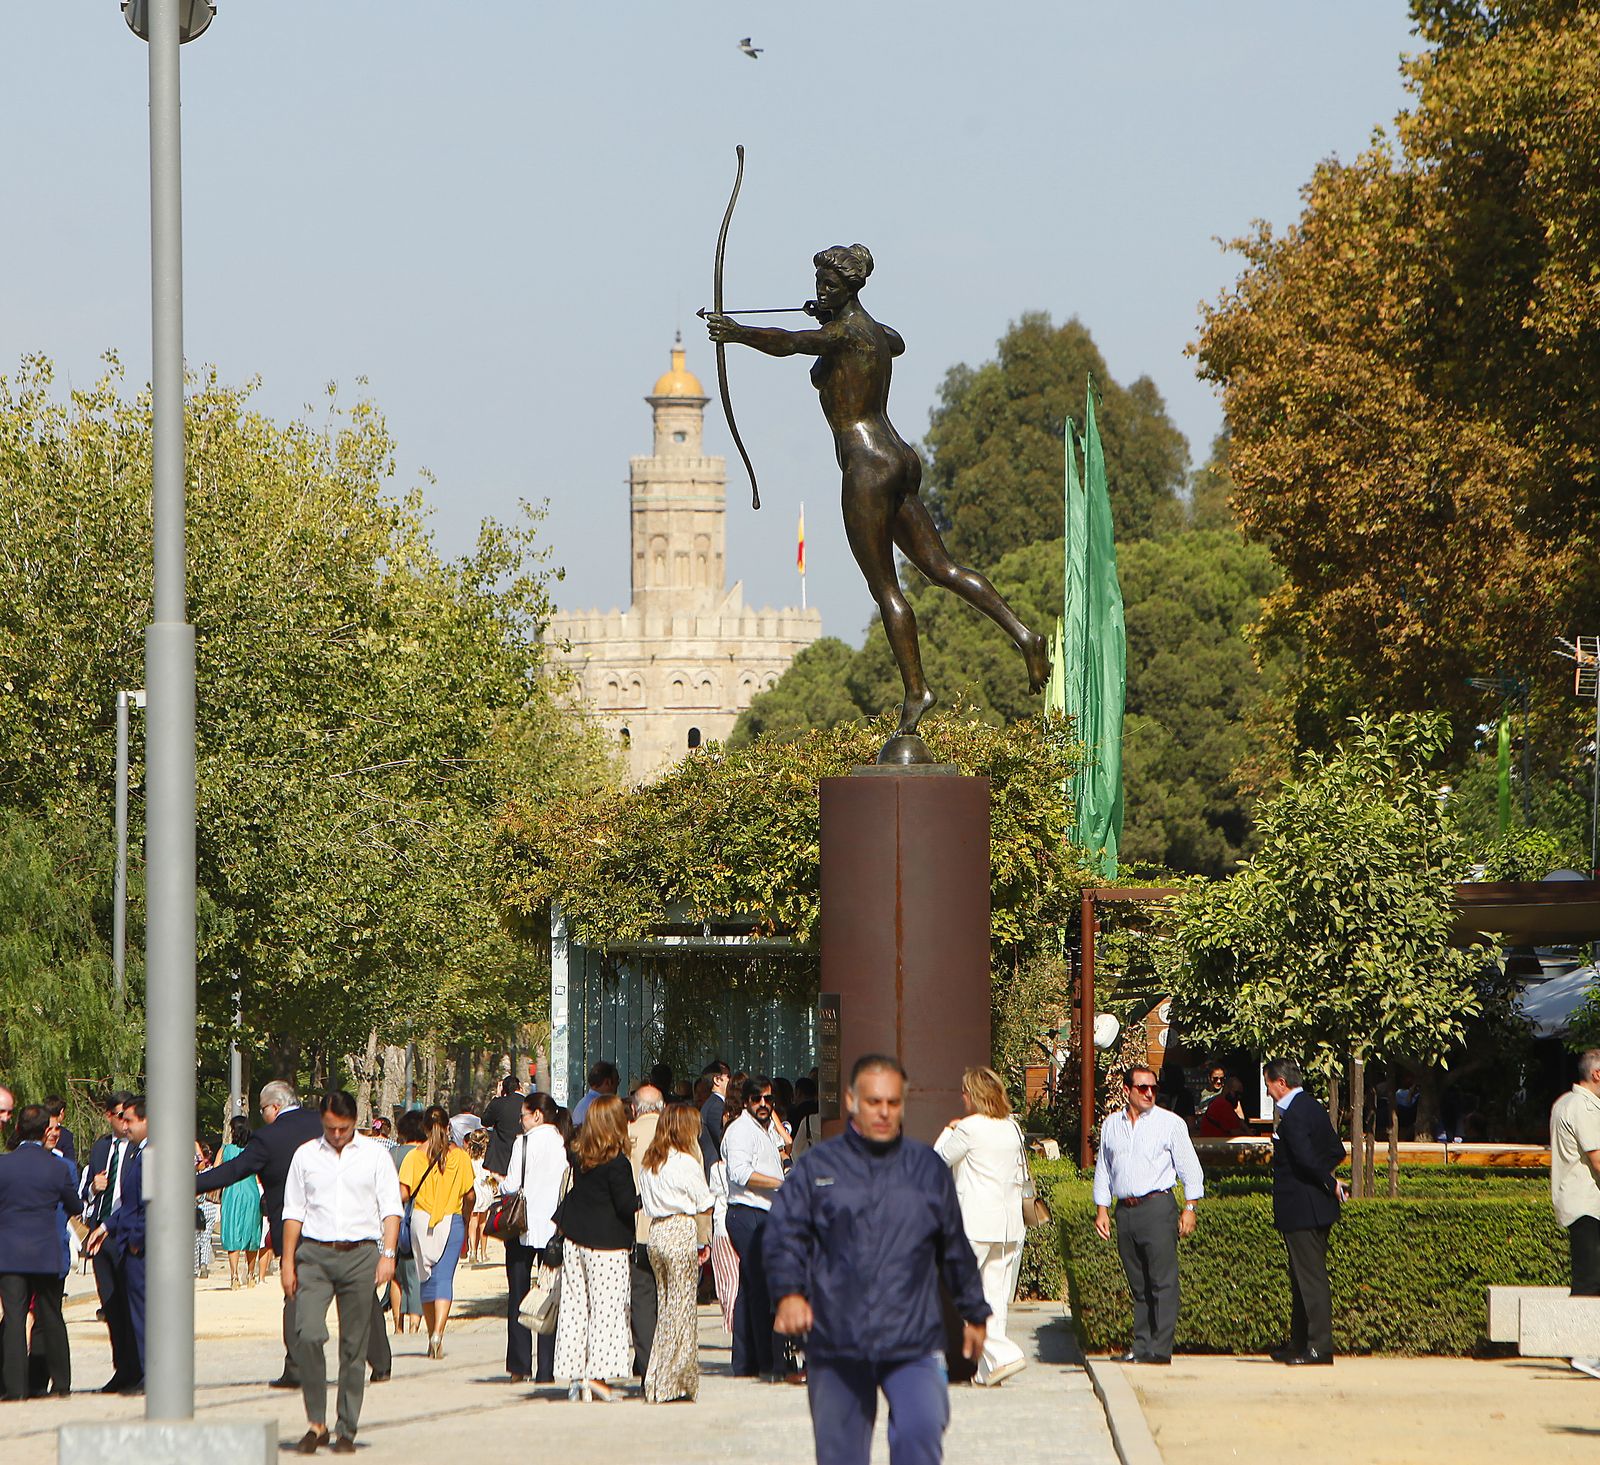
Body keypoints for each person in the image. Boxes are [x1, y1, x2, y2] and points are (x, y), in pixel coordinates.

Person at [707, 248, 1048, 749]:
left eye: (830, 287)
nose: (822, 293)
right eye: (818, 285)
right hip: (900, 458)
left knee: (886, 588)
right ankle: (1024, 634)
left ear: (851, 289)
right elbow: (898, 342)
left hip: (867, 467)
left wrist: (737, 333)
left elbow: (789, 343)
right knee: (942, 569)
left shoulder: (842, 334)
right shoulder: (870, 332)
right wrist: (827, 312)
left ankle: (918, 691)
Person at [766, 1054, 990, 1465]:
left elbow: (954, 1246)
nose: (884, 1111)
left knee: (921, 1438)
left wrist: (975, 1313)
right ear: (852, 1100)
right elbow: (784, 1235)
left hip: (912, 1340)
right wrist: (788, 1293)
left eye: (892, 1102)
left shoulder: (926, 1169)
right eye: (874, 1102)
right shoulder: (818, 1169)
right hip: (837, 1341)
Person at [280, 1090, 402, 1455]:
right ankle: (316, 1423)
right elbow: (293, 1211)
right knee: (308, 1333)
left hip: (361, 1254)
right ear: (323, 1122)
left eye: (344, 1128)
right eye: (331, 1128)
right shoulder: (305, 1156)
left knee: (354, 1345)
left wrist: (388, 1255)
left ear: (353, 1123)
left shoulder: (375, 1156)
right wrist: (288, 1261)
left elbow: (391, 1209)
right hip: (314, 1254)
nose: (337, 1135)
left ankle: (346, 1426)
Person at [194, 1079, 323, 1389]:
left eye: (263, 1109)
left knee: (296, 1296)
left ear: (274, 1107)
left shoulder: (268, 1138)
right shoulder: (321, 1122)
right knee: (355, 1293)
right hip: (337, 1223)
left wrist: (192, 1183)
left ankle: (295, 1368)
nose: (262, 1115)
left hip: (293, 1227)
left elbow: (235, 1170)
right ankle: (380, 1360)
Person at [1092, 1064, 1205, 1365]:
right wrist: (1102, 1209)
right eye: (1142, 1087)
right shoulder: (1111, 1125)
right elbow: (1104, 1167)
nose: (1149, 1093)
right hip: (1125, 1211)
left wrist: (1190, 1207)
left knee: (1162, 1281)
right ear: (1126, 1090)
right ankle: (1141, 1345)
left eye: (1153, 1088)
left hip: (1157, 1207)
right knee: (1138, 1283)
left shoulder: (1170, 1124)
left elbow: (1190, 1170)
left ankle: (1160, 1348)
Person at [934, 1065, 1029, 1386]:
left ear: (973, 1095)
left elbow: (937, 1160)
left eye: (963, 1092)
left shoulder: (968, 1128)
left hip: (975, 1223)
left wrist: (949, 1129)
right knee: (995, 1296)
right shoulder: (1012, 1128)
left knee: (955, 1293)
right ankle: (990, 1369)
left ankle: (1002, 1354)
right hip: (1010, 1225)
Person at [552, 1093, 638, 1401]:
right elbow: (626, 1205)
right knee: (608, 1311)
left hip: (576, 1239)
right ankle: (598, 1376)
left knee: (575, 1308)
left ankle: (576, 1375)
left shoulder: (579, 1156)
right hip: (607, 1245)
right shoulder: (617, 1163)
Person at [1264, 1057, 1346, 1366]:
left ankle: (1319, 1347)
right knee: (1301, 1278)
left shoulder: (1295, 1114)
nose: (1269, 1092)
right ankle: (1300, 1343)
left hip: (1302, 1208)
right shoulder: (1311, 1107)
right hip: (1313, 1207)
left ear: (1281, 1083)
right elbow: (1335, 1151)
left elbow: (1304, 1159)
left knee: (1310, 1280)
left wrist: (1326, 1181)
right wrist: (1326, 1180)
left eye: (1269, 1085)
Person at [0, 1104, 83, 1400]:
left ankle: (14, 1389)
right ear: (45, 1131)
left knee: (14, 1318)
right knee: (51, 1316)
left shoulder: (3, 1164)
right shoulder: (57, 1167)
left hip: (9, 1253)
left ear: (18, 1130)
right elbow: (76, 1206)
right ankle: (61, 1384)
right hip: (45, 1251)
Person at [638, 1101, 713, 1402]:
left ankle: (655, 1377)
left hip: (656, 1232)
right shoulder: (685, 1162)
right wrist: (702, 1241)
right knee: (682, 1309)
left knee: (665, 1305)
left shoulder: (650, 1161)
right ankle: (677, 1380)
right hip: (680, 1230)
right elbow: (704, 1201)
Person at [498, 1092, 568, 1383]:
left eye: (524, 1115)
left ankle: (519, 1364)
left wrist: (497, 1181)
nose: (522, 1121)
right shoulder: (565, 1142)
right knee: (550, 1295)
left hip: (523, 1226)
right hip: (554, 1227)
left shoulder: (523, 1143)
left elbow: (513, 1184)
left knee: (518, 1293)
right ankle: (547, 1368)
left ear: (537, 1115)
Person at [723, 1074, 789, 1380]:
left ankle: (747, 1361)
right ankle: (766, 1362)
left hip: (762, 1212)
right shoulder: (739, 1131)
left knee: (751, 1288)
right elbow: (740, 1173)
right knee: (760, 1288)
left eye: (768, 1099)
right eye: (757, 1099)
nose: (763, 1104)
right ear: (746, 1101)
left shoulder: (762, 1130)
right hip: (747, 1212)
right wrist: (781, 1183)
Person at [399, 1105, 476, 1359]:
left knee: (426, 1278)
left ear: (423, 1128)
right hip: (451, 1221)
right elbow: (470, 1194)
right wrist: (466, 1217)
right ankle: (438, 1333)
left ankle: (430, 1330)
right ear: (447, 1127)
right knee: (444, 1279)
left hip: (421, 1222)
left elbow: (404, 1194)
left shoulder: (413, 1157)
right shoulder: (461, 1157)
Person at [84, 1097, 150, 1392]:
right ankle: (124, 1369)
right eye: (119, 1117)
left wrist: (135, 1240)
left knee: (136, 1308)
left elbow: (144, 1202)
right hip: (105, 1232)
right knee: (113, 1307)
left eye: (129, 1118)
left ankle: (142, 1370)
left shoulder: (144, 1152)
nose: (124, 1124)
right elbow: (87, 1190)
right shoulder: (101, 1148)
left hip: (129, 1238)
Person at [1549, 1049, 1600, 1377]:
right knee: (1589, 1278)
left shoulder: (1566, 1102)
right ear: (1597, 1075)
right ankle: (1581, 1351)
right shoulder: (1583, 1107)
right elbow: (1598, 1159)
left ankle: (1584, 1349)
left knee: (1591, 1275)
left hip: (1580, 1202)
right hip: (1587, 1205)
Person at [625, 1083, 665, 1379]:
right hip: (671, 1228)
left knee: (641, 1297)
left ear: (635, 1108)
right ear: (662, 1107)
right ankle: (666, 1363)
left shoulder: (627, 1136)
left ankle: (647, 1362)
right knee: (669, 1297)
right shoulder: (674, 1135)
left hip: (637, 1229)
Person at [388, 1109, 426, 1336]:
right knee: (417, 1273)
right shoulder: (425, 1154)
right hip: (419, 1217)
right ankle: (414, 1325)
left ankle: (397, 1325)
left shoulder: (393, 1154)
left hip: (394, 1218)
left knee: (396, 1275)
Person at [218, 1116, 264, 1289]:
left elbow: (217, 1168)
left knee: (232, 1231)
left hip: (232, 1192)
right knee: (252, 1231)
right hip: (251, 1191)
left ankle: (234, 1276)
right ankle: (251, 1275)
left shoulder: (226, 1149)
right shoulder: (254, 1149)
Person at [481, 1075, 525, 1177]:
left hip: (500, 1158)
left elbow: (485, 1121)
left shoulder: (499, 1103)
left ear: (503, 1089)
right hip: (524, 1155)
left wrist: (497, 1097)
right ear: (520, 1087)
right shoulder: (529, 1103)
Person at [465, 1127, 495, 1265]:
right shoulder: (487, 1158)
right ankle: (483, 1252)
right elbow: (491, 1176)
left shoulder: (467, 1158)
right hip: (485, 1190)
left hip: (473, 1189)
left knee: (473, 1221)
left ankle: (472, 1251)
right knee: (483, 1222)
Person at [571, 1060, 620, 1129]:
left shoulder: (583, 1103)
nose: (617, 1086)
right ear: (608, 1082)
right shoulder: (600, 1106)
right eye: (617, 1081)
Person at [1197, 1071, 1247, 1139]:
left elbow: (1240, 1121)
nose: (1239, 1097)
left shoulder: (1221, 1103)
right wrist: (1250, 1134)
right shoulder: (1223, 1105)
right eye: (1237, 1093)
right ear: (1228, 1089)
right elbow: (1236, 1133)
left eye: (1240, 1095)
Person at [42, 1097, 75, 1166]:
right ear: (61, 1112)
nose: (54, 1133)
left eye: (57, 1129)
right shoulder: (66, 1135)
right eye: (49, 1129)